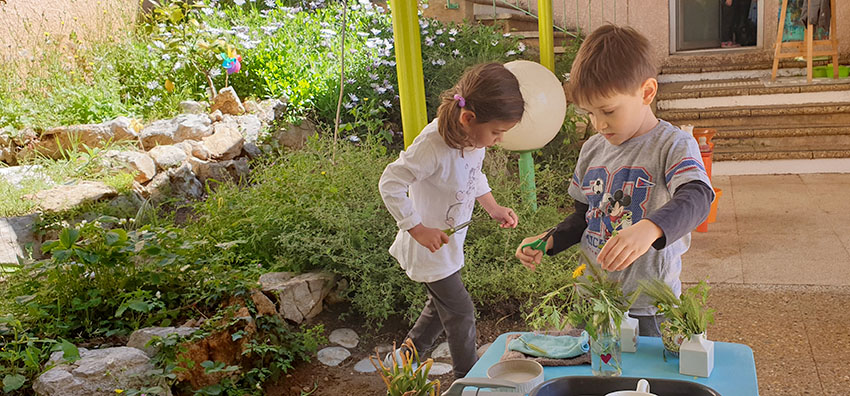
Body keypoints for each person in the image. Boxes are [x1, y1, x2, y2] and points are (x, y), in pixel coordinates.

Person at [515, 25, 715, 337]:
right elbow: (586, 216)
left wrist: (650, 229)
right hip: (592, 299)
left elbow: (699, 197)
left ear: (646, 92)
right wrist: (551, 239)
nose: (599, 123)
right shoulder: (592, 148)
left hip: (648, 308)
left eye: (608, 110)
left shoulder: (672, 145)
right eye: (590, 113)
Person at [378, 62, 524, 378]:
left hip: (448, 244)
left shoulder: (471, 139)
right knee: (461, 312)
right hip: (428, 246)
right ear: (468, 118)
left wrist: (493, 207)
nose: (498, 140)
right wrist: (416, 227)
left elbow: (474, 176)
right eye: (497, 132)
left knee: (438, 307)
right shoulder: (433, 145)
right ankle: (466, 380)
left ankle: (405, 358)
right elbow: (390, 182)